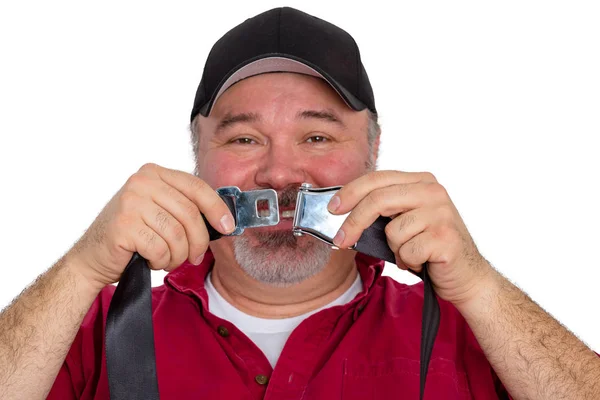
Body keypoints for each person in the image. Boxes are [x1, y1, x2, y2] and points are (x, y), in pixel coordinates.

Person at [0, 6, 598, 400]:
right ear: (197, 158)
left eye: (317, 136)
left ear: (372, 153)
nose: (280, 171)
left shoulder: (471, 331)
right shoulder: (85, 330)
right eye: (242, 138)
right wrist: (81, 269)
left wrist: (479, 285)